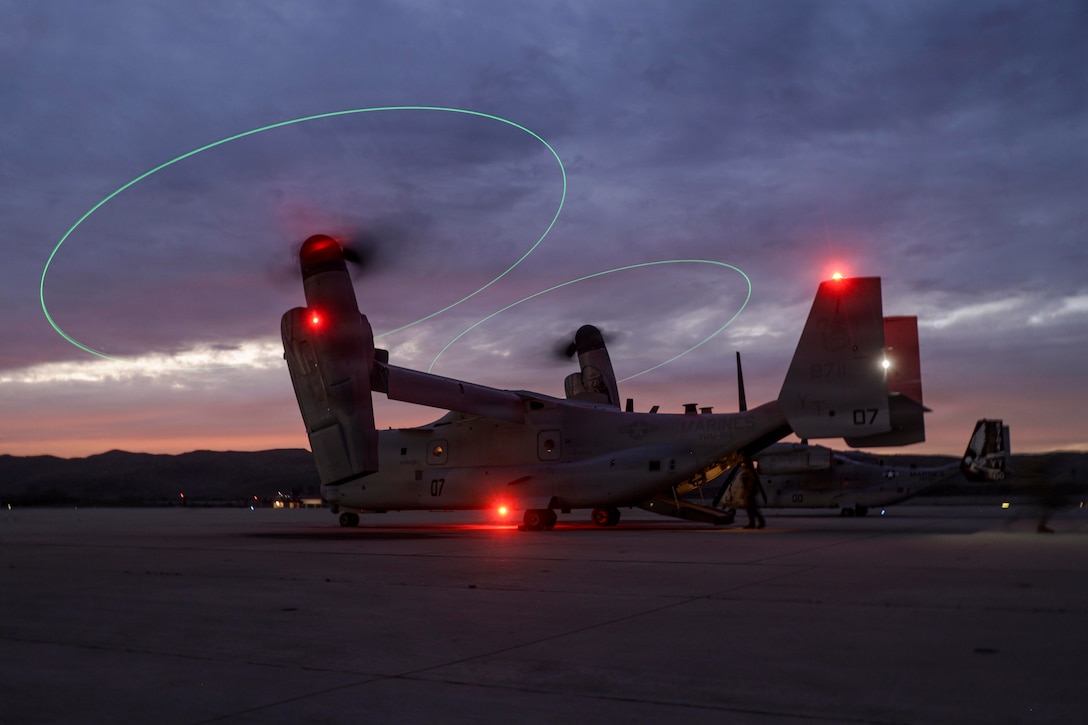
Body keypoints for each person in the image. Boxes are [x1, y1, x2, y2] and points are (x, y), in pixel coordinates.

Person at [737, 460, 766, 529]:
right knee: (750, 509)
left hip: (750, 493)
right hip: (748, 493)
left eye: (743, 464)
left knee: (752, 509)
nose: (742, 465)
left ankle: (759, 523)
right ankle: (753, 523)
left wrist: (749, 492)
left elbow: (751, 483)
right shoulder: (748, 472)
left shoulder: (750, 472)